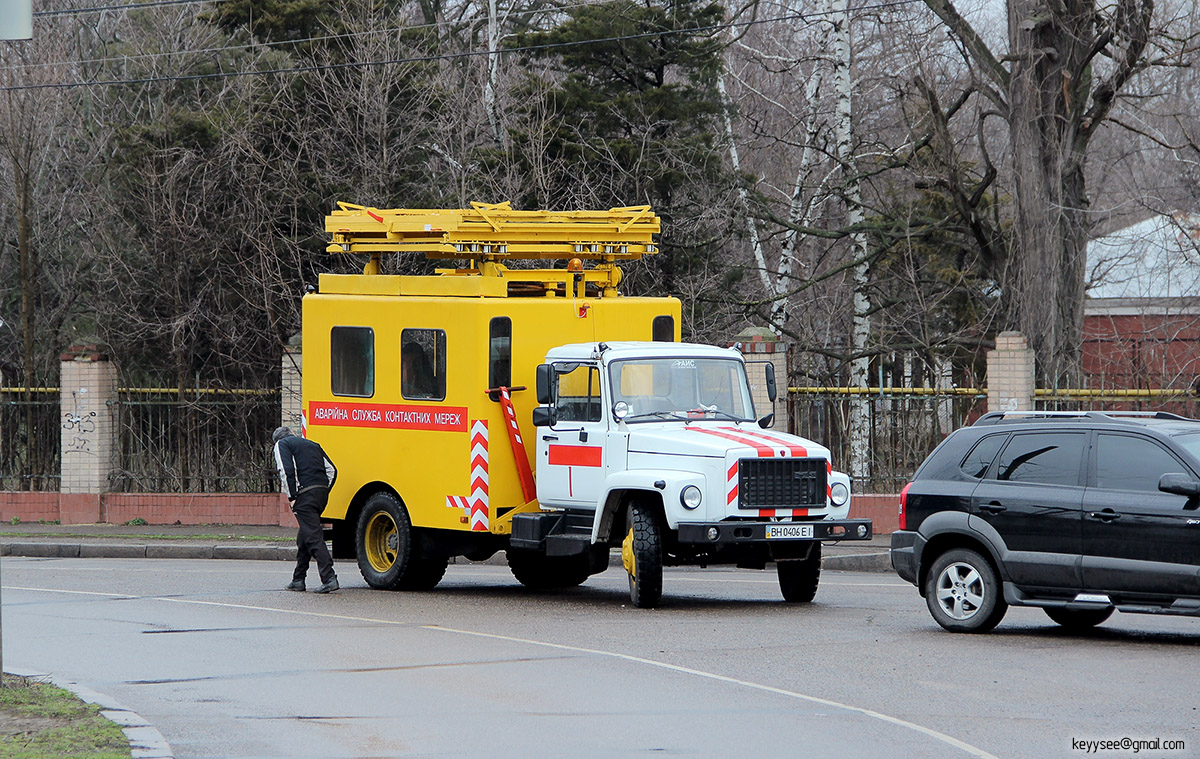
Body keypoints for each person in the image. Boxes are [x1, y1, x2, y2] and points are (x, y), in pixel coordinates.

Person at [272, 426, 339, 593]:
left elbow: (286, 471)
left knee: (313, 537)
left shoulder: (282, 444)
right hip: (321, 493)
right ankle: (298, 579)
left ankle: (329, 577)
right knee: (305, 536)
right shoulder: (312, 444)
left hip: (304, 494)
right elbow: (332, 470)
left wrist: (292, 496)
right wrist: (323, 489)